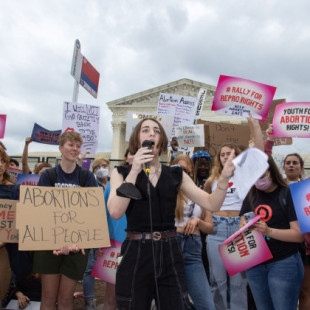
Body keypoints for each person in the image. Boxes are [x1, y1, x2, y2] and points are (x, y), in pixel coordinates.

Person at [108, 118, 235, 310]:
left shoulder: (176, 174)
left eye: (156, 131)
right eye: (145, 130)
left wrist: (224, 178)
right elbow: (116, 212)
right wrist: (134, 171)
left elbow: (212, 203)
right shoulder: (120, 172)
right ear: (136, 139)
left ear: (162, 140)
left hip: (169, 250)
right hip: (136, 250)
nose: (151, 134)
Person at [32, 131, 97, 310]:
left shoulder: (87, 177)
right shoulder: (48, 176)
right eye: (70, 145)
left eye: (77, 146)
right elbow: (41, 211)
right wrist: (56, 240)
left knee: (66, 299)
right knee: (48, 298)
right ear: (61, 148)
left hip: (77, 246)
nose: (75, 149)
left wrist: (79, 240)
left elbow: (92, 213)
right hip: (49, 246)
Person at [239, 156, 304, 310]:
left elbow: (298, 235)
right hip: (255, 264)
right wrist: (244, 228)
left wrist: (269, 231)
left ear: (271, 171)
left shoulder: (288, 193)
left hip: (283, 262)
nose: (257, 180)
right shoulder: (251, 195)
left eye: (260, 175)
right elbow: (243, 223)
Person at [172, 154, 215, 310]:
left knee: (206, 305)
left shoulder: (199, 193)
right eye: (179, 170)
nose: (182, 175)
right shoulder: (165, 193)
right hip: (170, 247)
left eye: (187, 171)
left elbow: (210, 228)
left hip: (192, 250)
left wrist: (198, 221)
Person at [83, 157, 110, 309]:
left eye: (104, 165)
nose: (101, 168)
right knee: (91, 268)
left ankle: (110, 301)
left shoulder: (115, 184)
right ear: (93, 171)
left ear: (109, 166)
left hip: (113, 230)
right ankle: (89, 302)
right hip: (97, 229)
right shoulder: (92, 185)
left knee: (112, 267)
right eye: (97, 167)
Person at [0, 147, 19, 306]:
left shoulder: (13, 190)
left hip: (4, 251)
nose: (0, 165)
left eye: (2, 161)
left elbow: (17, 221)